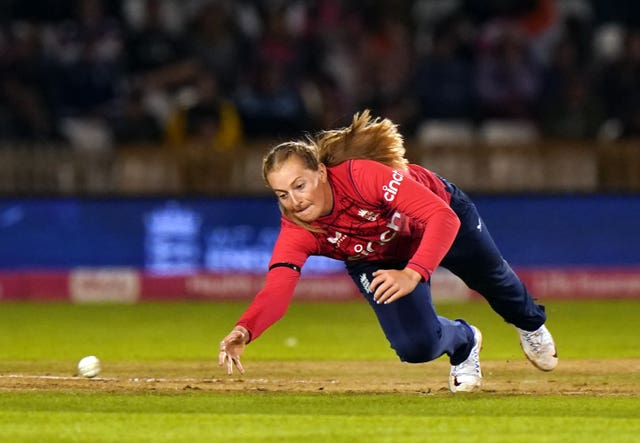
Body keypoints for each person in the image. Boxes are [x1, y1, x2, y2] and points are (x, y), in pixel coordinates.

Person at [218, 110, 557, 392]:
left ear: (320, 173)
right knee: (415, 347)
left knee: (495, 282)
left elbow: (442, 217)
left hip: (438, 221)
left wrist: (413, 273)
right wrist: (245, 329)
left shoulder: (361, 176)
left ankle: (530, 325)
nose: (294, 201)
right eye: (282, 194)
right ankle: (464, 341)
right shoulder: (298, 230)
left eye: (299, 186)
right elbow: (278, 288)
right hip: (376, 257)